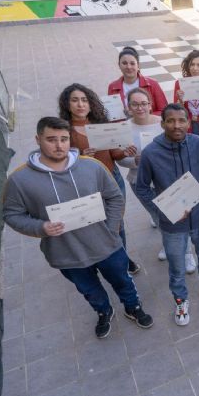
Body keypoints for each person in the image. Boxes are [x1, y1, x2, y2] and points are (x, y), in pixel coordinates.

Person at [3, 117, 153, 338]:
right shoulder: (20, 180)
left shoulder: (92, 166)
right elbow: (12, 214)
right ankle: (104, 311)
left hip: (106, 245)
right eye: (51, 139)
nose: (58, 145)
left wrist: (111, 228)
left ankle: (133, 307)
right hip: (66, 252)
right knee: (89, 290)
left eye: (63, 139)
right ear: (38, 139)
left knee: (122, 279)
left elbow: (114, 197)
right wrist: (41, 227)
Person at [135, 104, 199, 326]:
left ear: (189, 122)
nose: (176, 125)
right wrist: (162, 212)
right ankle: (180, 299)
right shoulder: (151, 152)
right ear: (162, 123)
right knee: (177, 268)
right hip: (172, 225)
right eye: (171, 121)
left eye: (181, 120)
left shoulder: (198, 143)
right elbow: (142, 188)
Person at [58, 83, 141, 276]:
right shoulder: (64, 130)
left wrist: (124, 152)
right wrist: (79, 156)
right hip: (87, 184)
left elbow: (114, 154)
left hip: (112, 179)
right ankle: (109, 259)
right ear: (67, 104)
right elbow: (60, 162)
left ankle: (123, 259)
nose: (80, 104)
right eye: (75, 100)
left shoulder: (100, 124)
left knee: (117, 222)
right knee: (99, 224)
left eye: (84, 100)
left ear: (91, 103)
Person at [117, 88, 197, 273]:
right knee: (158, 217)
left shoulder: (162, 123)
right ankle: (168, 243)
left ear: (150, 104)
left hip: (167, 182)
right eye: (135, 104)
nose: (140, 108)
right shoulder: (124, 129)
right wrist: (133, 161)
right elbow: (120, 159)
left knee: (177, 218)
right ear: (128, 107)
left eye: (143, 103)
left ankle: (186, 253)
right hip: (140, 181)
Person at [108, 46, 168, 116]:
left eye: (132, 63)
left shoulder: (152, 84)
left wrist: (142, 115)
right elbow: (113, 116)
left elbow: (164, 111)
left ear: (138, 65)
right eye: (124, 63)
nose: (128, 67)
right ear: (119, 65)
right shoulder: (112, 87)